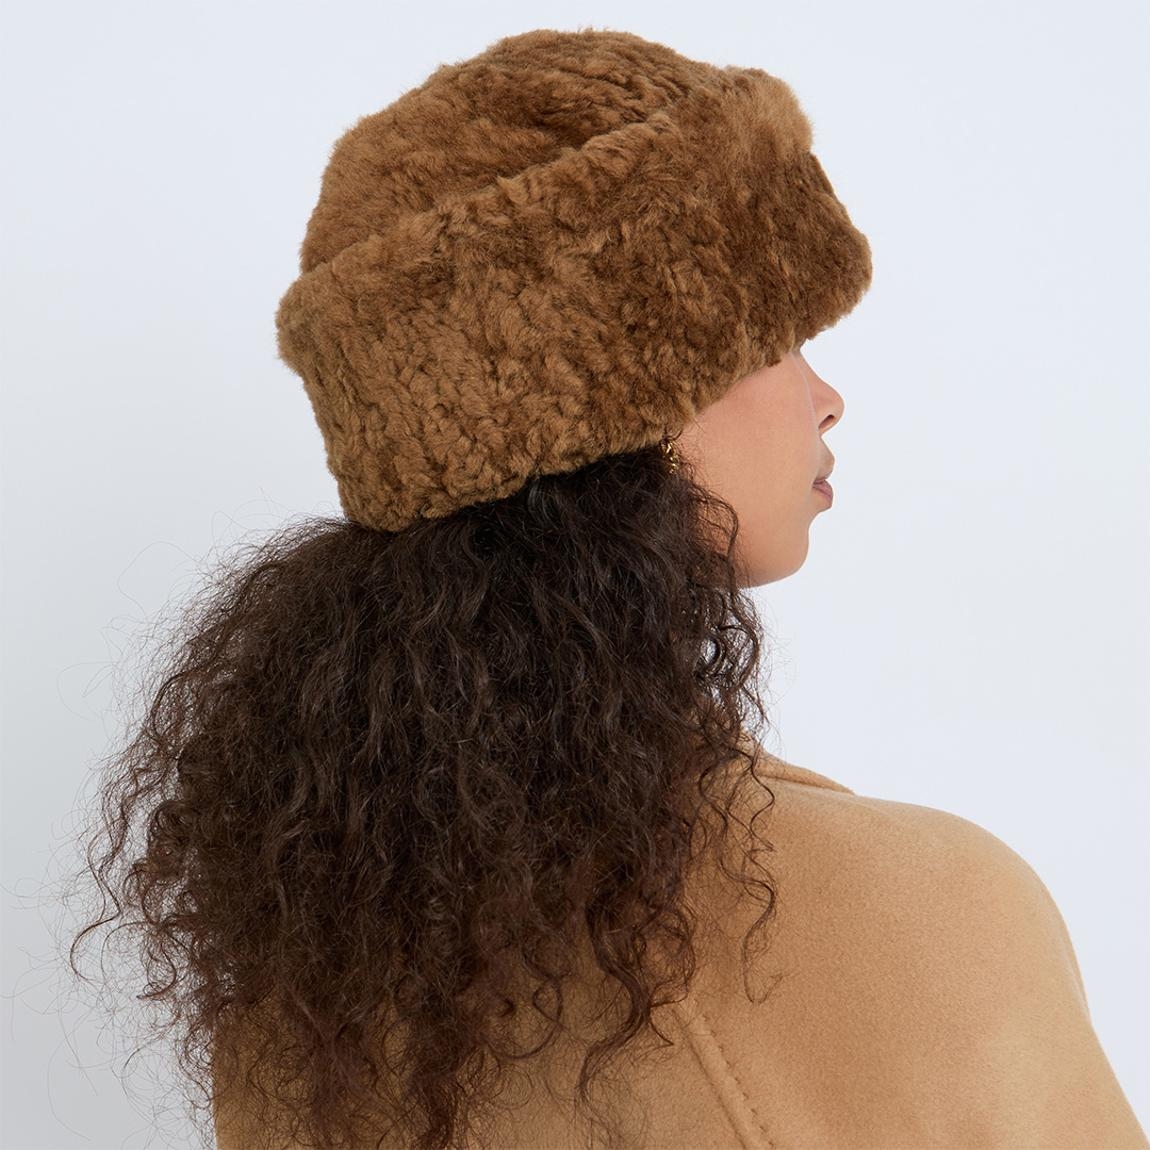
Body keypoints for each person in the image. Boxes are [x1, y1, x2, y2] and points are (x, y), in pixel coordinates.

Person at [67, 27, 1148, 1150]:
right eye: (772, 341)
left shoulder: (319, 977)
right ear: (609, 409)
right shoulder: (924, 913)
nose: (825, 396)